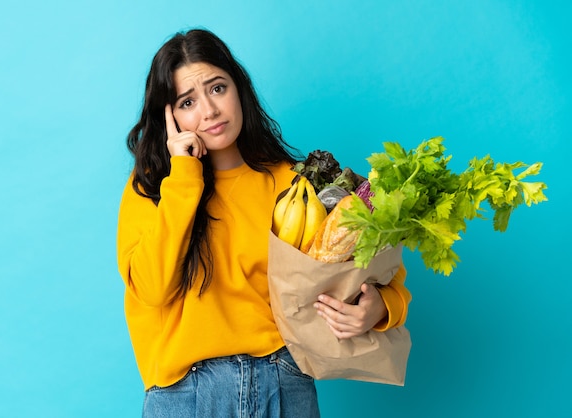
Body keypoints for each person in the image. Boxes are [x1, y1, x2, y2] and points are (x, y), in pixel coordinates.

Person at [116, 28, 411, 418]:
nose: (210, 111)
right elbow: (152, 289)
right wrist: (184, 176)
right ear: (169, 117)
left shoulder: (295, 184)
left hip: (284, 382)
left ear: (239, 89)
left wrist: (380, 308)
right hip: (186, 396)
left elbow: (379, 277)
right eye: (188, 101)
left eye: (217, 88)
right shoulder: (152, 188)